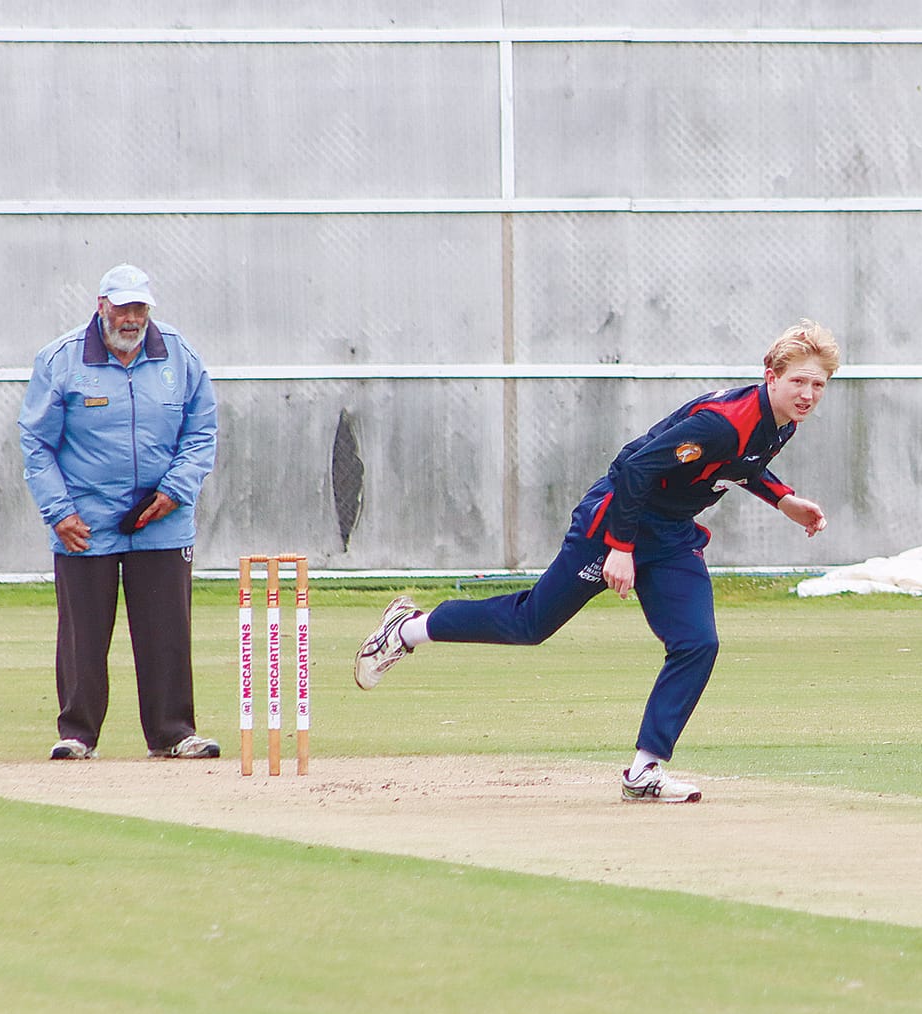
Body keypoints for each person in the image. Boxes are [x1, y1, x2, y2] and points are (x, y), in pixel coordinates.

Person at [352, 320, 840, 802]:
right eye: (798, 381)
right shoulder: (722, 421)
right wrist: (621, 548)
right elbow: (635, 469)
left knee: (697, 643)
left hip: (670, 536)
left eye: (818, 384)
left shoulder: (780, 423)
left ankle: (645, 770)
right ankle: (408, 629)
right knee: (531, 623)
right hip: (614, 521)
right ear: (771, 376)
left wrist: (783, 500)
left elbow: (741, 464)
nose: (808, 394)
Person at [17, 264, 221, 760]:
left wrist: (176, 489)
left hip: (161, 516)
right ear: (101, 305)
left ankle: (173, 733)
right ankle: (77, 733)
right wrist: (58, 511)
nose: (132, 319)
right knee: (83, 634)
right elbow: (36, 441)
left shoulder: (180, 354)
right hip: (85, 520)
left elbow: (202, 432)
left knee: (166, 630)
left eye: (140, 308)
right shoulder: (61, 360)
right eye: (123, 307)